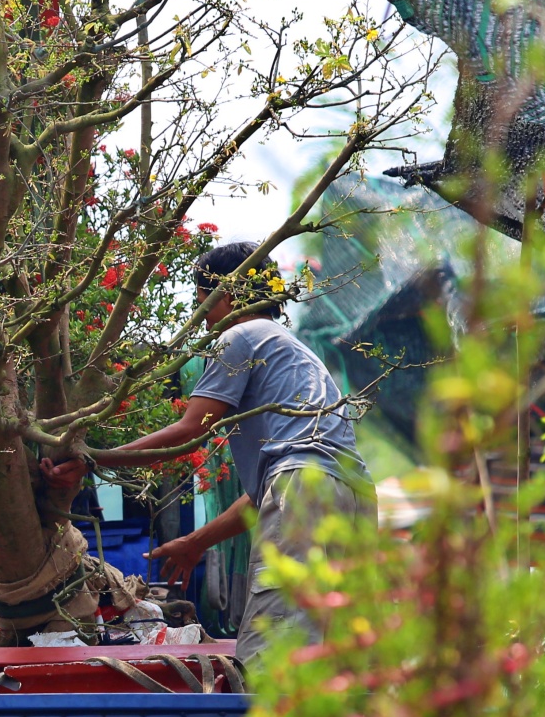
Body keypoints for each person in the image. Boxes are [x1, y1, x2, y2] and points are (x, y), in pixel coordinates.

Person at [44, 242, 375, 665]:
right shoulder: (294, 351)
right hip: (352, 494)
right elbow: (270, 491)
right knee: (335, 652)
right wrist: (196, 542)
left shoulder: (239, 335)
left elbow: (190, 430)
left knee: (274, 650)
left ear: (226, 296)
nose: (199, 316)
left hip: (305, 489)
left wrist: (91, 458)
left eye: (201, 302)